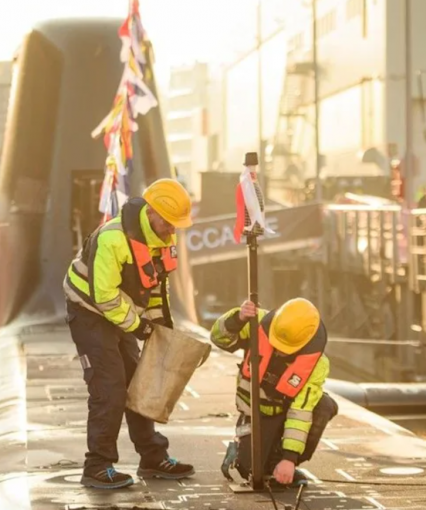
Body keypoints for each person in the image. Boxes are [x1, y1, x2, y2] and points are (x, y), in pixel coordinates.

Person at [63, 178, 196, 489]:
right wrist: (139, 327)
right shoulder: (112, 240)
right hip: (89, 311)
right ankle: (97, 465)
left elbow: (153, 291)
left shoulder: (161, 240)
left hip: (119, 312)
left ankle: (152, 457)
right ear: (152, 214)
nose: (173, 230)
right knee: (109, 387)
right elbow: (105, 297)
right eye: (169, 223)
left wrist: (161, 333)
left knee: (138, 381)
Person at [211, 297, 338, 487]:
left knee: (324, 406)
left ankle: (280, 464)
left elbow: (301, 412)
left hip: (285, 414)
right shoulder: (257, 322)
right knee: (249, 470)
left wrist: (289, 458)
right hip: (254, 413)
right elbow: (219, 338)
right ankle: (256, 456)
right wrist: (238, 318)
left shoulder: (316, 364)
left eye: (286, 349)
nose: (278, 350)